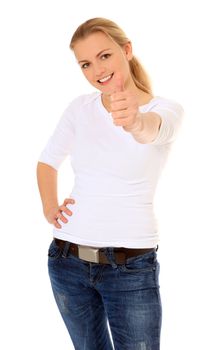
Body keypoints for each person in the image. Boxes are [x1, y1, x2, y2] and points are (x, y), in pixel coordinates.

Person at [36, 17, 184, 350]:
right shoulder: (79, 108)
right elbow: (47, 161)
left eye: (104, 56)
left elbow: (152, 129)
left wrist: (134, 120)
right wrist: (50, 206)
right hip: (66, 261)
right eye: (85, 64)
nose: (96, 70)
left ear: (126, 50)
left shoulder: (167, 109)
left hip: (131, 270)